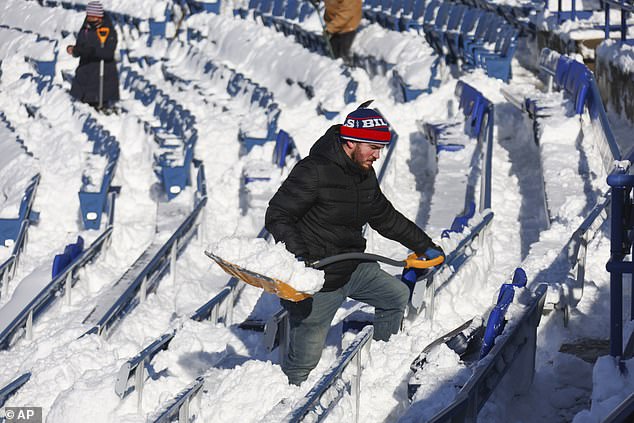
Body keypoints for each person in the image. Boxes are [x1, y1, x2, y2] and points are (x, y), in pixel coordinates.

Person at [265, 104, 444, 385]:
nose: (378, 154)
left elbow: (384, 216)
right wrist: (300, 259)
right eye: (373, 147)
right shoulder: (314, 171)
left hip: (351, 266)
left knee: (395, 296)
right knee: (303, 364)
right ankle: (290, 404)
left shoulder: (364, 173)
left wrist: (424, 245)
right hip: (317, 278)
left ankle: (379, 369)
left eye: (381, 148)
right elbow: (277, 214)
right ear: (351, 141)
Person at [66, 1, 119, 109]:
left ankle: (103, 107)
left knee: (101, 91)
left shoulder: (108, 30)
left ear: (99, 17)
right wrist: (75, 50)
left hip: (102, 69)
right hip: (86, 69)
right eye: (89, 16)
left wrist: (89, 51)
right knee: (83, 97)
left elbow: (108, 52)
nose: (90, 19)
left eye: (93, 17)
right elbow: (80, 46)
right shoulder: (85, 28)